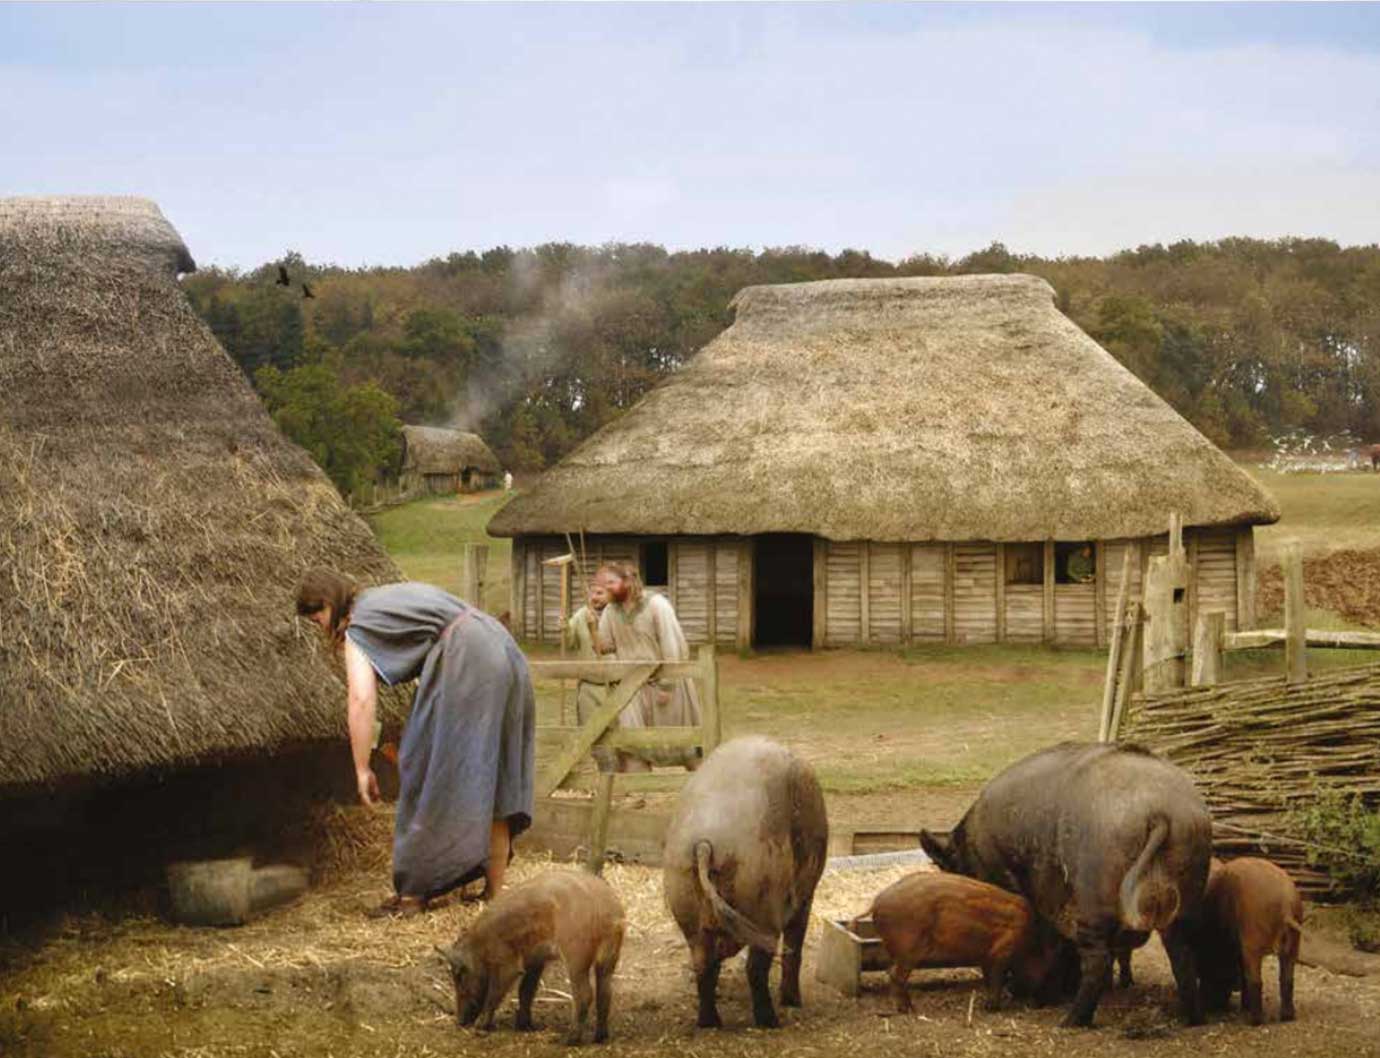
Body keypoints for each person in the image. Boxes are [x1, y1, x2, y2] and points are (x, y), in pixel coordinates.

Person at [295, 569, 535, 917]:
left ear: (329, 604)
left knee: (427, 768)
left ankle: (414, 893)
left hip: (468, 656)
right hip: (501, 645)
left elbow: (361, 700)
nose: (320, 627)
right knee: (493, 767)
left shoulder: (359, 627)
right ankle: (495, 894)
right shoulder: (384, 598)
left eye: (317, 618)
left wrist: (362, 769)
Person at [595, 562, 702, 771]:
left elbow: (671, 643)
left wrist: (667, 685)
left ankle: (704, 787)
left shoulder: (656, 605)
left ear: (628, 582)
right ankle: (639, 794)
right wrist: (593, 627)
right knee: (634, 743)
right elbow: (605, 647)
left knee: (684, 743)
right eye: (604, 583)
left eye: (611, 582)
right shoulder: (610, 611)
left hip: (666, 684)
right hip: (632, 689)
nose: (607, 587)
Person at [565, 579, 625, 772]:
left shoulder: (620, 614)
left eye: (600, 593)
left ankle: (622, 780)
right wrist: (565, 628)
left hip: (617, 685)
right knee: (593, 734)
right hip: (590, 685)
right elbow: (570, 642)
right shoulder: (582, 615)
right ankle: (605, 775)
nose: (594, 597)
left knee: (618, 734)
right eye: (592, 593)